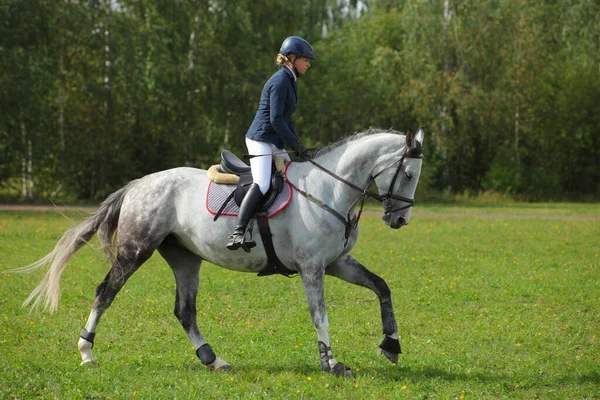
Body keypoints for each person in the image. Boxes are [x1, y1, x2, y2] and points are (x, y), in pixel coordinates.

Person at [227, 36, 315, 251]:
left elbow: (287, 119)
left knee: (292, 174)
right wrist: (294, 144)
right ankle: (238, 231)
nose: (309, 64)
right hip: (260, 139)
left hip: (273, 139)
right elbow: (276, 119)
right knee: (263, 183)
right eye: (306, 60)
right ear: (292, 58)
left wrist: (299, 146)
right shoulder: (280, 81)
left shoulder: (290, 80)